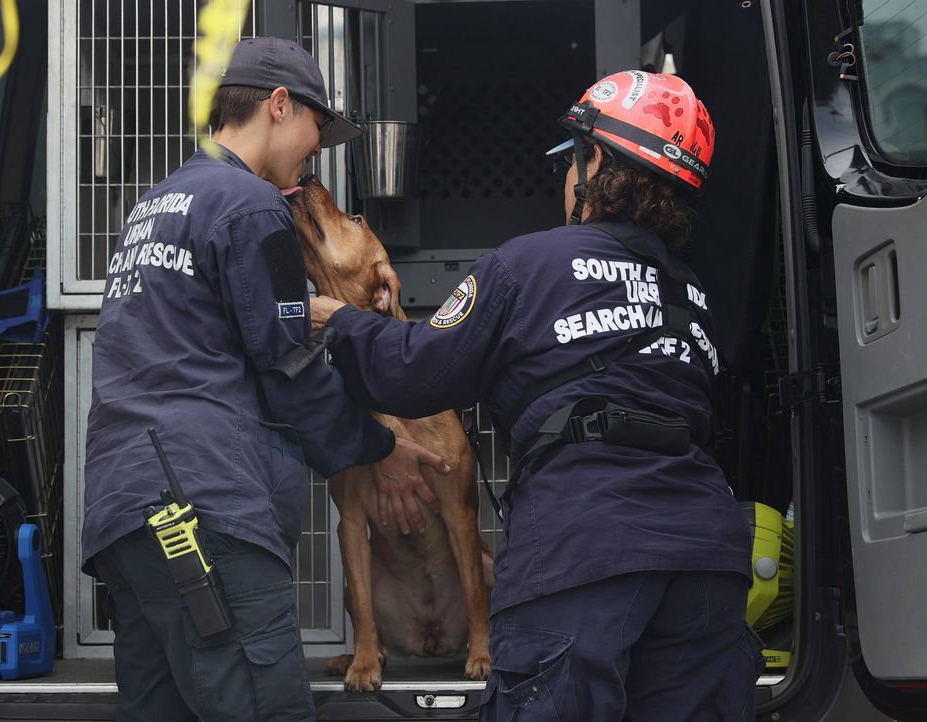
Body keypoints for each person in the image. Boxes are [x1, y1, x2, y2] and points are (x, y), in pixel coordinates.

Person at [311, 71, 764, 720]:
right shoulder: (690, 295)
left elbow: (413, 376)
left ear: (596, 161)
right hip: (707, 564)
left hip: (582, 550)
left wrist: (340, 322)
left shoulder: (526, 265)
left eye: (572, 160)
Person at [81, 36, 450, 722]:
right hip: (207, 511)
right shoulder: (252, 208)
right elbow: (290, 369)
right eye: (317, 127)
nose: (318, 150)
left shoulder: (155, 205)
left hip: (124, 514)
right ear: (279, 105)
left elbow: (193, 336)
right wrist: (378, 449)